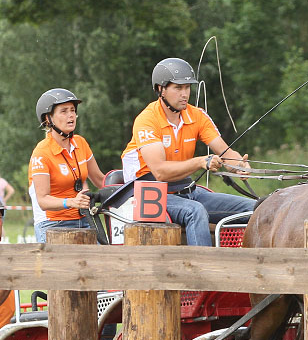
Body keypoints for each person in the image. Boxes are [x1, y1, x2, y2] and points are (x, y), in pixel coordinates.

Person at [120, 57, 254, 246]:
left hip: (187, 190)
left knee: (254, 209)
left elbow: (225, 152)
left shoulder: (197, 115)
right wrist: (200, 162)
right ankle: (202, 270)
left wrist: (239, 165)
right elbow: (160, 171)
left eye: (187, 88)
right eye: (178, 88)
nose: (185, 94)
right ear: (161, 89)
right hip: (150, 194)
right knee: (195, 211)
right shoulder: (147, 120)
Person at [28, 89, 106, 243]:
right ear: (48, 119)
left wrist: (128, 188)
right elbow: (43, 201)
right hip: (52, 224)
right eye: (63, 111)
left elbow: (100, 179)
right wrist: (70, 202)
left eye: (72, 110)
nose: (71, 115)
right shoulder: (41, 152)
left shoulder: (80, 143)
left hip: (84, 220)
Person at [0, 172, 14, 240]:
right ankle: (3, 241)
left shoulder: (2, 181)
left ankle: (3, 241)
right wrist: (4, 200)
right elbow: (11, 190)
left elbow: (11, 190)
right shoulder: (2, 181)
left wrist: (4, 200)